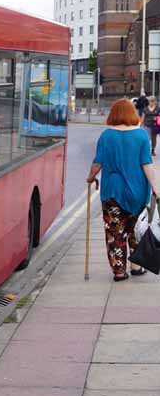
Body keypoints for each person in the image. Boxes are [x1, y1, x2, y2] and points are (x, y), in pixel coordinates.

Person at [87, 98, 160, 281]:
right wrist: (156, 188)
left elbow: (97, 163)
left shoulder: (106, 136)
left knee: (115, 232)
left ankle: (119, 271)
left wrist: (90, 178)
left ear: (113, 114)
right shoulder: (142, 135)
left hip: (113, 192)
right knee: (136, 229)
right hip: (138, 191)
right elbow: (147, 165)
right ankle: (136, 266)